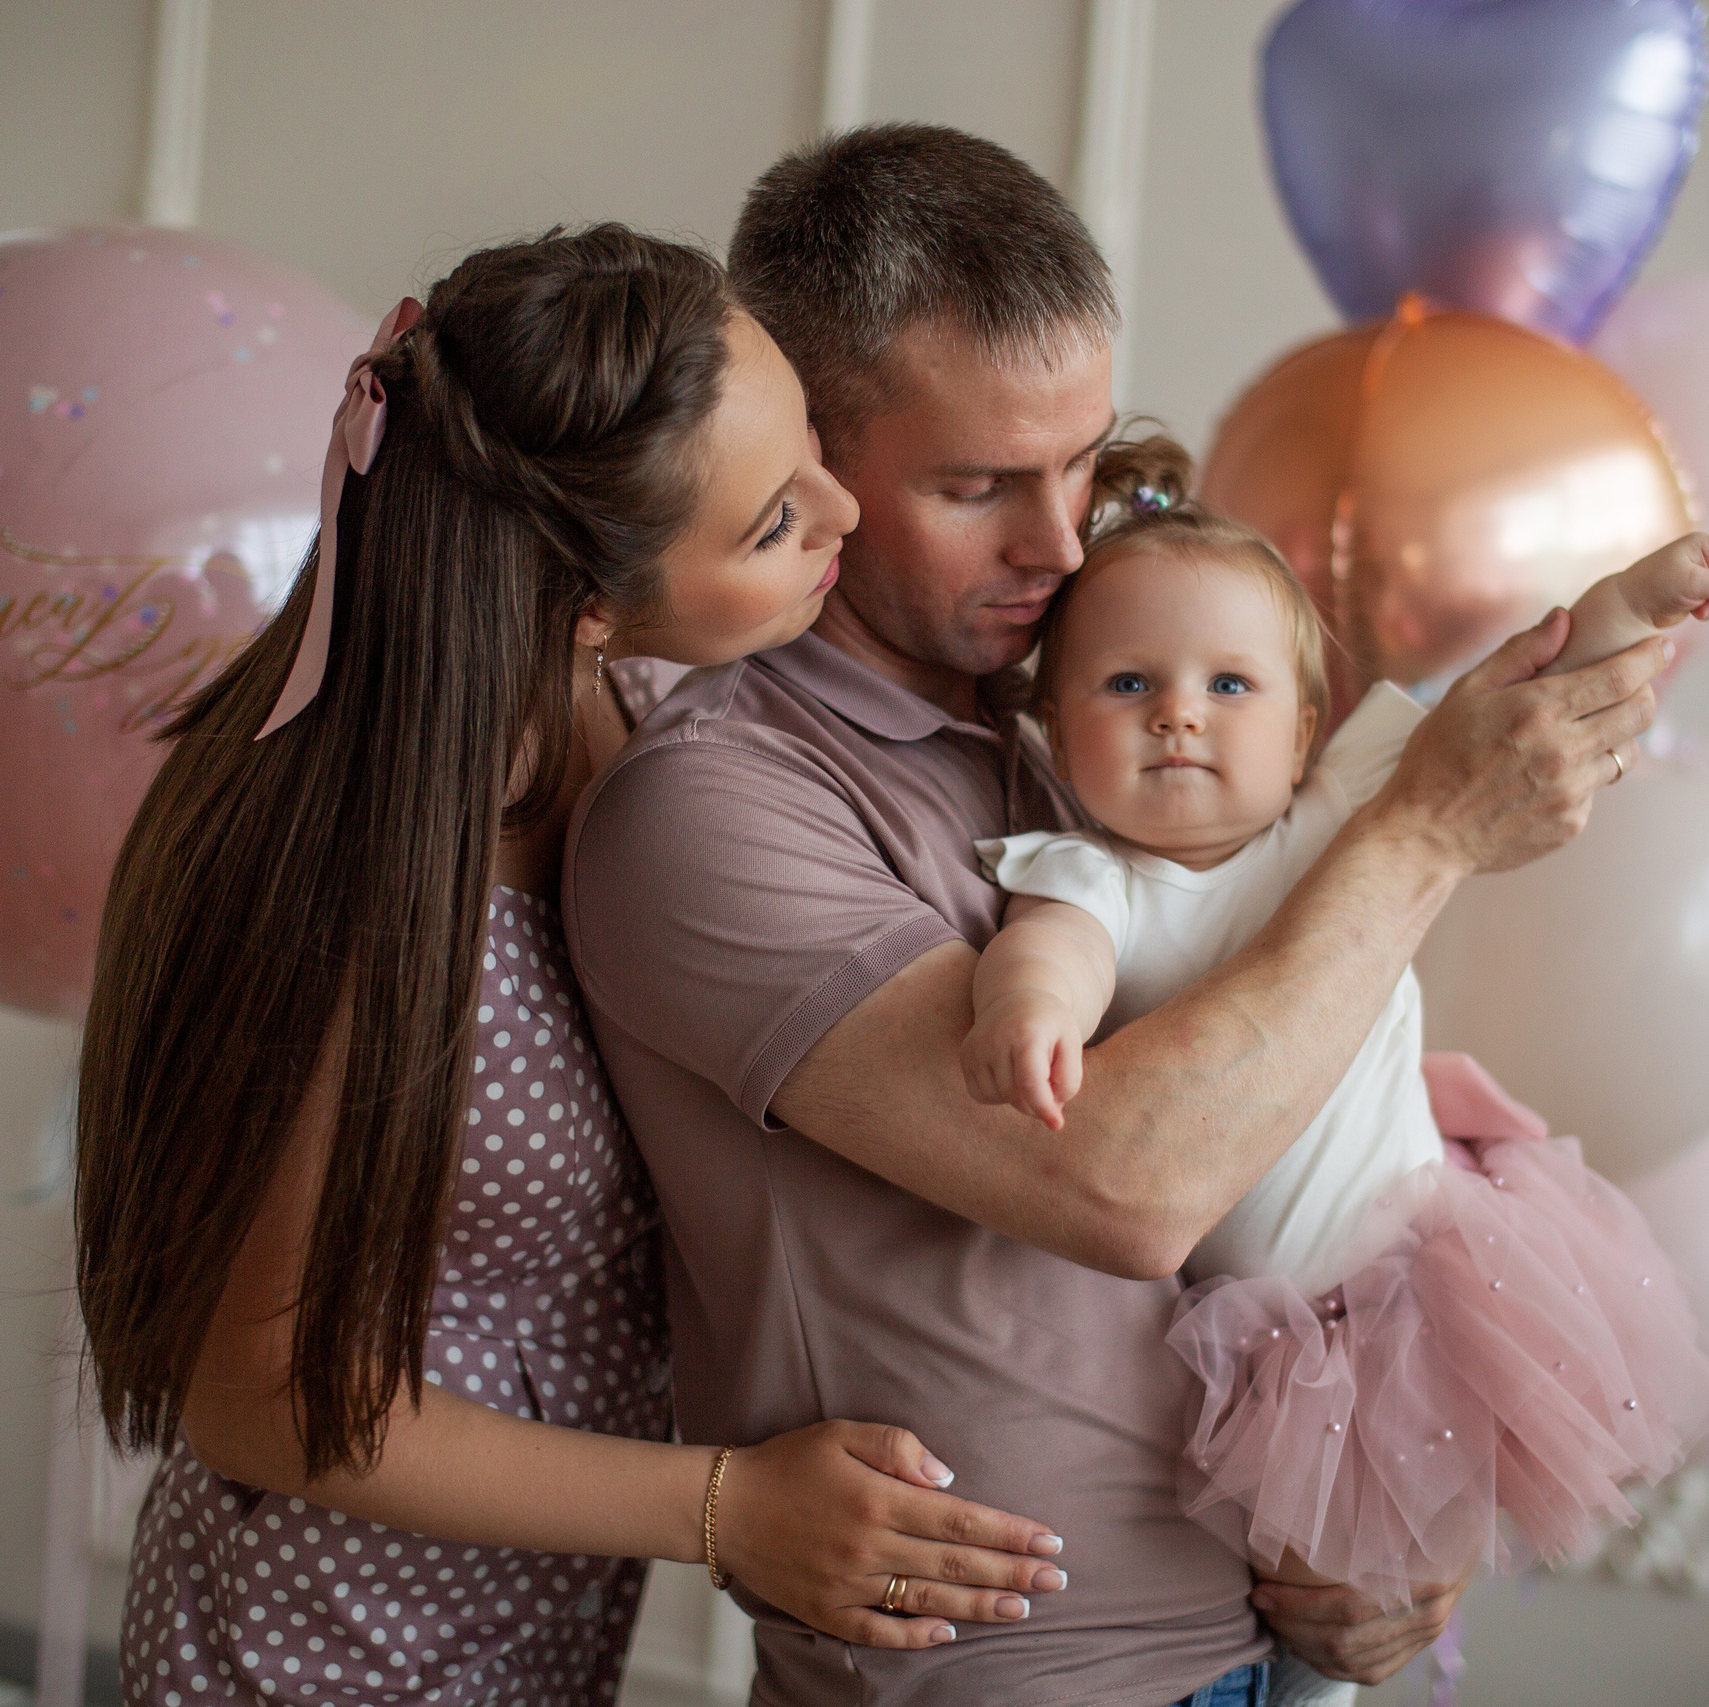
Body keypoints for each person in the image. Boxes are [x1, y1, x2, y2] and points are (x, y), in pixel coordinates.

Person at [561, 126, 1673, 1705]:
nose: (1063, 541)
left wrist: (1393, 1533)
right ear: (806, 456)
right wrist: (1424, 828)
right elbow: (1129, 1183)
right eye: (976, 484)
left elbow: (1299, 1118)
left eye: (1079, 463)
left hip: (1249, 1637)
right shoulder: (719, 798)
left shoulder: (1071, 739)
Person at [74, 226, 1069, 1707]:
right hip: (324, 1652)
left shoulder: (643, 703)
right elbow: (255, 1400)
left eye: (810, 448)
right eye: (773, 522)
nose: (844, 509)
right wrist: (725, 1503)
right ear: (582, 595)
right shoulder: (330, 877)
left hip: (545, 1634)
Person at [961, 440, 1709, 1700]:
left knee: (1374, 1578)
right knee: (1288, 1581)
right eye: (1127, 683)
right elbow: (1045, 959)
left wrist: (1634, 602)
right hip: (1261, 1330)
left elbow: (1517, 692)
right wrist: (1028, 1021)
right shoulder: (1090, 878)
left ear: (1306, 729)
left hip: (1422, 1272)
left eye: (1229, 683)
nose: (1179, 711)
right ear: (1053, 730)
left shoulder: (1343, 814)